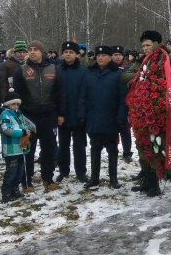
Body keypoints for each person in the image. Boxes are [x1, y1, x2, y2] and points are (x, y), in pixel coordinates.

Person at [13, 40, 65, 192]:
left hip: (49, 115)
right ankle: (26, 181)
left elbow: (60, 93)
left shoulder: (53, 69)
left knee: (49, 149)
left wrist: (61, 113)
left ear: (42, 52)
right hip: (29, 116)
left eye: (36, 49)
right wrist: (19, 115)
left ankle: (48, 178)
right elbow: (16, 95)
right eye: (30, 49)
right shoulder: (21, 70)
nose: (33, 52)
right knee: (28, 149)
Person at [121, 30, 164, 196]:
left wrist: (146, 78)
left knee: (153, 148)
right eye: (143, 45)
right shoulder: (141, 61)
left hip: (156, 111)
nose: (146, 48)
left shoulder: (164, 60)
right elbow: (125, 75)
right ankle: (146, 180)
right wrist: (142, 75)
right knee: (142, 147)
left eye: (148, 45)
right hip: (139, 110)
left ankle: (155, 184)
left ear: (157, 44)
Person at [80, 46, 127, 189]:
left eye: (104, 55)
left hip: (110, 118)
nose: (100, 58)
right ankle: (94, 178)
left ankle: (113, 178)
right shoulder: (89, 73)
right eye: (98, 55)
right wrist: (82, 114)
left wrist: (121, 116)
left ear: (110, 57)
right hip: (93, 118)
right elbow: (83, 96)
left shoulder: (118, 74)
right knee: (95, 149)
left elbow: (122, 98)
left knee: (112, 149)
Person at [57, 41, 88, 183]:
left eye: (71, 52)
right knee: (63, 145)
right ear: (62, 54)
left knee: (79, 145)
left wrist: (83, 114)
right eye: (65, 52)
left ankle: (81, 171)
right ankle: (63, 170)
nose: (68, 54)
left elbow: (86, 93)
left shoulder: (83, 71)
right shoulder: (57, 70)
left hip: (78, 115)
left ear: (77, 54)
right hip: (62, 115)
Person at [0, 88, 32, 202]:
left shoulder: (20, 114)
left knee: (20, 170)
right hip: (10, 148)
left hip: (21, 147)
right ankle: (6, 191)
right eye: (13, 104)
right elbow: (6, 129)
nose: (16, 106)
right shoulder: (5, 115)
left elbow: (25, 125)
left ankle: (15, 189)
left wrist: (27, 130)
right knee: (11, 171)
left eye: (17, 104)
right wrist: (21, 132)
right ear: (8, 104)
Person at [111, 45, 133, 163]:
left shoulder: (127, 69)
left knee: (125, 131)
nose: (117, 57)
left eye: (119, 55)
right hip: (112, 104)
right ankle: (113, 150)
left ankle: (127, 152)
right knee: (113, 131)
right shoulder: (108, 69)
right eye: (115, 55)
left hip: (125, 103)